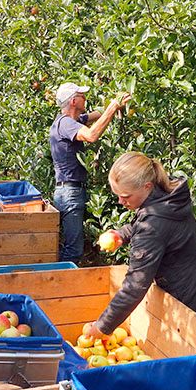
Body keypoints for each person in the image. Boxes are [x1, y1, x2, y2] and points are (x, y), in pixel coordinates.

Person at [87, 151, 196, 339]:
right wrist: (122, 234)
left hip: (186, 294)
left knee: (184, 346)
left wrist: (102, 327)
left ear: (146, 186)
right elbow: (151, 225)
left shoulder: (154, 223)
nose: (120, 202)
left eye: (125, 196)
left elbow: (135, 285)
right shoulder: (166, 193)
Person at [49, 82, 132, 262]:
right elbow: (91, 136)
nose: (85, 98)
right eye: (81, 95)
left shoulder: (72, 121)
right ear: (73, 101)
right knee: (74, 249)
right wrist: (113, 108)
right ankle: (59, 283)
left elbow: (97, 115)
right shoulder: (65, 124)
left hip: (70, 191)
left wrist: (118, 101)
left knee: (73, 244)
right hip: (69, 192)